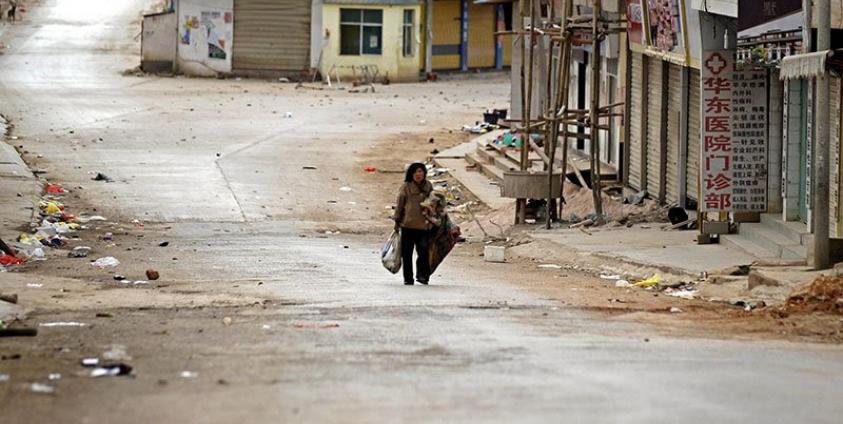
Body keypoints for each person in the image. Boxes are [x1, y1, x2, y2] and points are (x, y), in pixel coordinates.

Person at [393, 162, 433, 285]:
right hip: (408, 226)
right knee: (407, 254)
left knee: (424, 251)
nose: (418, 174)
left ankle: (422, 276)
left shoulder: (428, 186)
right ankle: (408, 278)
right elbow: (400, 205)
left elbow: (435, 203)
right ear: (411, 174)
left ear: (424, 173)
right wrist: (397, 220)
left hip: (424, 226)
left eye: (420, 171)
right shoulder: (406, 187)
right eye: (415, 172)